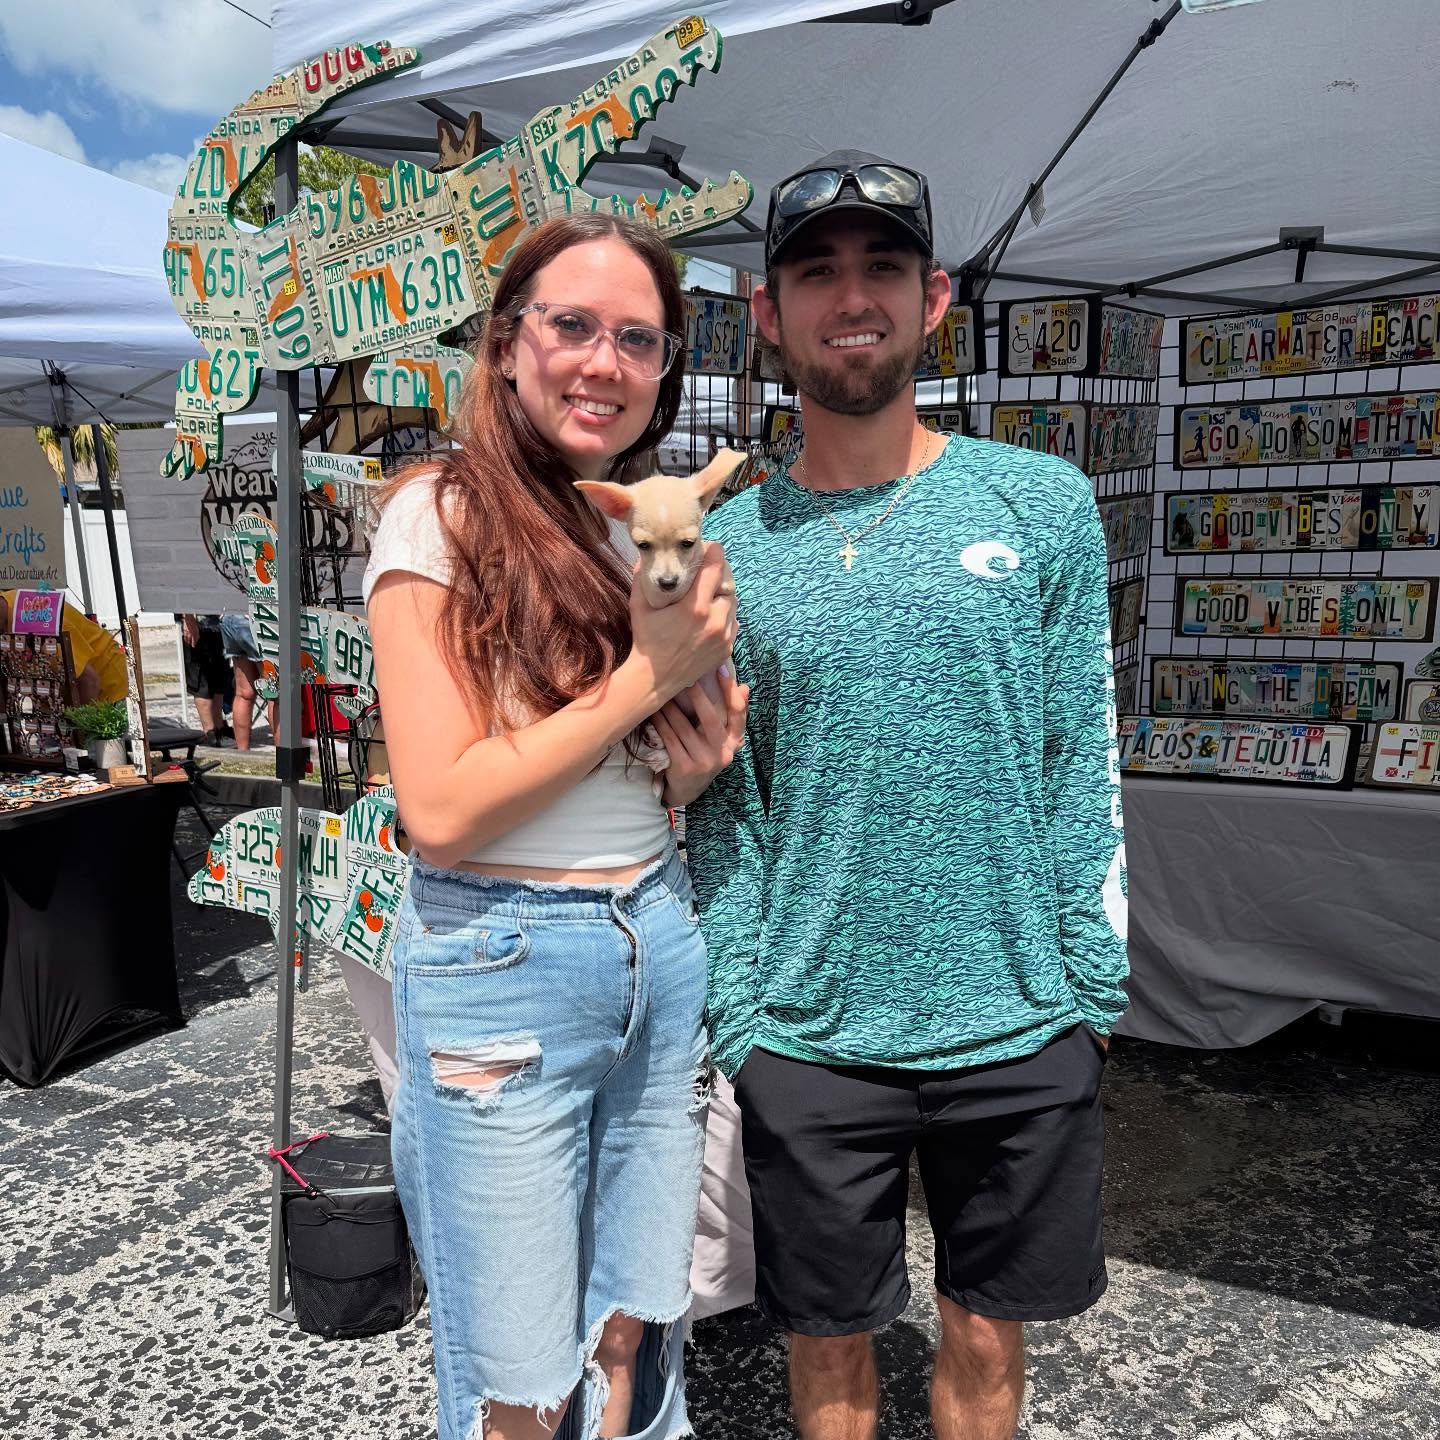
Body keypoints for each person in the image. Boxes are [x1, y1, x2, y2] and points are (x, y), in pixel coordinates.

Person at [685, 151, 1130, 1440]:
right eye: (815, 272)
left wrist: (1088, 996)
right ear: (766, 315)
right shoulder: (727, 553)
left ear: (935, 298)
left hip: (1021, 1022)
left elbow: (1077, 758)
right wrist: (746, 1021)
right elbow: (726, 802)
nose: (851, 297)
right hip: (812, 1041)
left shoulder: (1039, 502)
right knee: (827, 1367)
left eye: (881, 265)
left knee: (988, 1349)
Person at [366, 213, 746, 1440]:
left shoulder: (627, 520)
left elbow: (604, 772)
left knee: (633, 1325)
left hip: (654, 931)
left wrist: (691, 766)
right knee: (519, 1381)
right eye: (571, 324)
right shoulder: (439, 512)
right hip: (504, 964)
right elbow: (442, 809)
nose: (604, 360)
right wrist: (649, 677)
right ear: (506, 342)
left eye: (639, 338)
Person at [1, 590, 129, 705]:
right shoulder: (6, 617)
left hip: (105, 684)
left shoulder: (37, 620)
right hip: (67, 694)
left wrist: (80, 727)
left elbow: (89, 681)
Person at [219, 610, 276, 750]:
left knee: (244, 694)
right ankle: (284, 757)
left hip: (230, 616)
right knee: (275, 696)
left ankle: (242, 753)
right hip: (257, 616)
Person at [179, 613, 231, 745]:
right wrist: (188, 618)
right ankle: (209, 732)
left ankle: (219, 727)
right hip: (197, 622)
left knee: (219, 680)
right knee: (201, 683)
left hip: (218, 623)